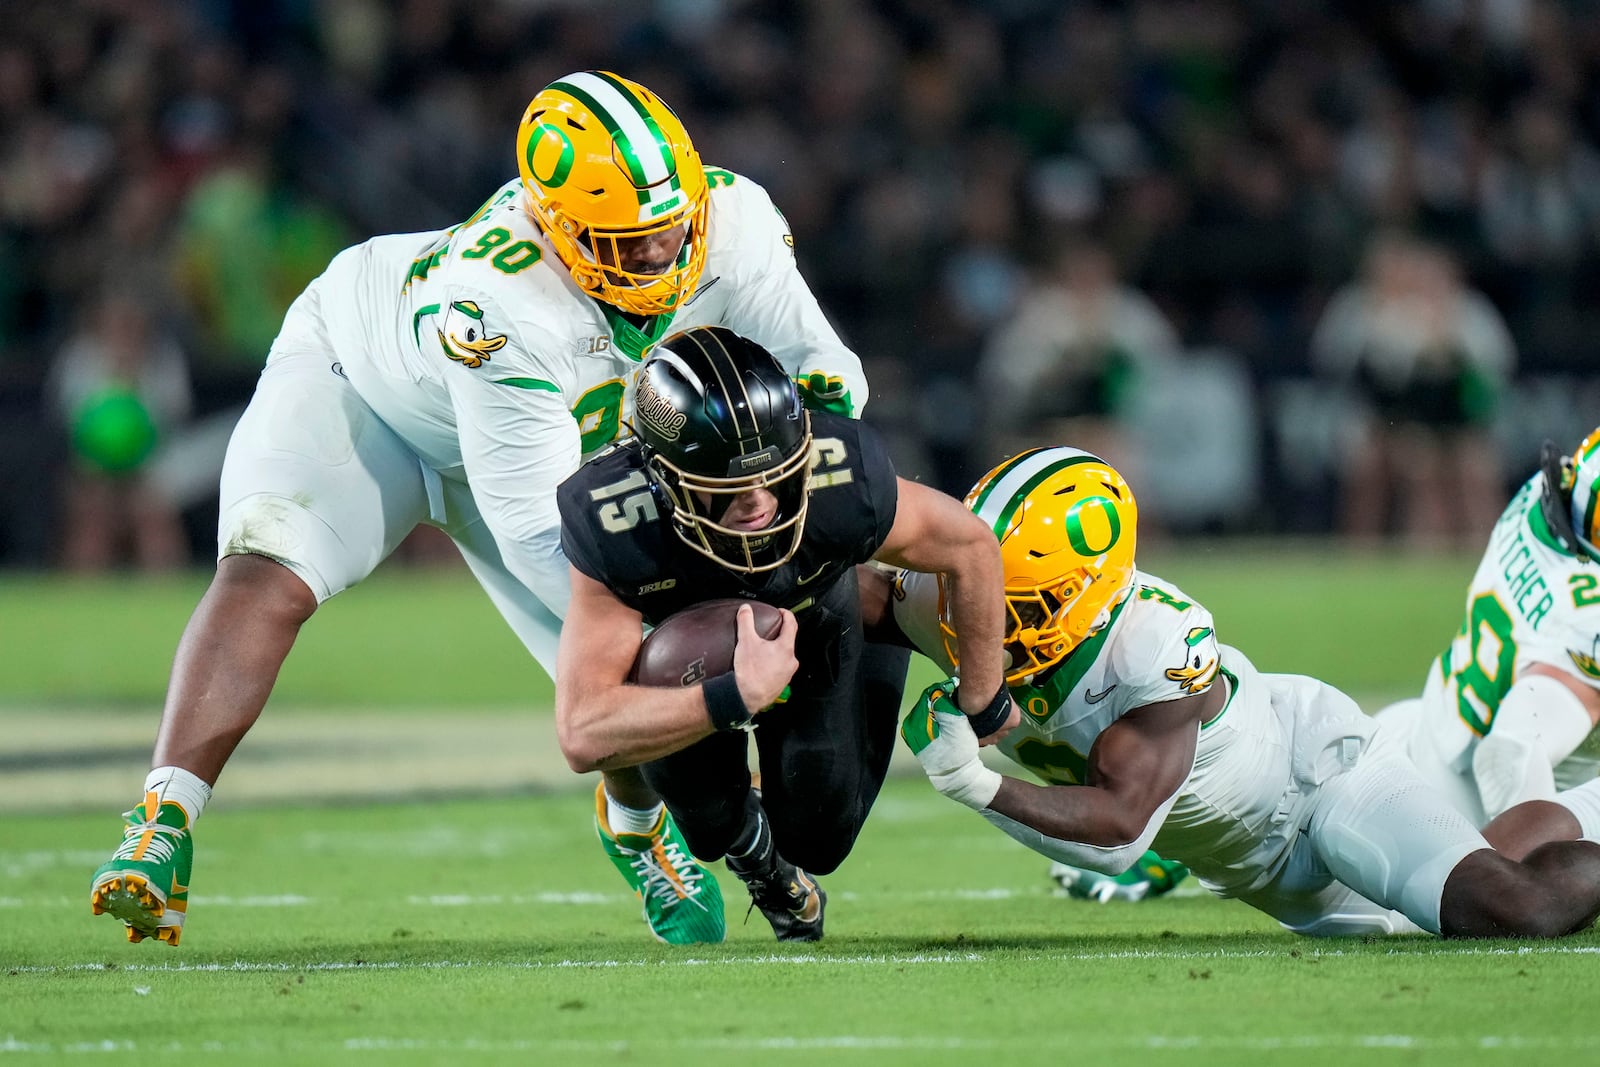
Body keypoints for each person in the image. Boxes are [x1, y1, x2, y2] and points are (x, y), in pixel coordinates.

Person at [89, 71, 875, 948]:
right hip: (370, 393)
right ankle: (163, 819)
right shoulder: (499, 300)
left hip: (554, 440)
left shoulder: (736, 224)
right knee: (270, 567)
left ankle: (633, 825)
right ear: (556, 224)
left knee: (649, 650)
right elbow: (548, 537)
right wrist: (689, 597)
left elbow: (829, 382)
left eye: (668, 230)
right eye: (628, 241)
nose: (659, 257)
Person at [871, 446, 1600, 938]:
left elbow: (1121, 830)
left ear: (1084, 593)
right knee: (1435, 902)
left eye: (1015, 600)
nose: (982, 618)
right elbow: (848, 591)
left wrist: (976, 783)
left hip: (1316, 785)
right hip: (1260, 866)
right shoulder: (954, 598)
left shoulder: (1155, 645)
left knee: (1511, 907)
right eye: (981, 588)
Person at [554, 326, 1015, 941]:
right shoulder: (618, 521)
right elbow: (584, 733)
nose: (760, 500)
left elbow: (970, 544)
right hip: (695, 657)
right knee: (707, 824)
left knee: (821, 838)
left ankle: (778, 852)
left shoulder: (842, 477)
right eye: (730, 487)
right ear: (663, 480)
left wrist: (985, 702)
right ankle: (744, 851)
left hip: (819, 618)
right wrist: (731, 697)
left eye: (774, 473)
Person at [1374, 428, 1600, 827]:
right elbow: (1512, 749)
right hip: (1466, 826)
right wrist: (1534, 879)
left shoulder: (1547, 496)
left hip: (1429, 731)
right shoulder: (1586, 624)